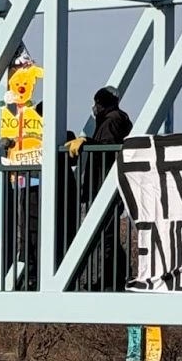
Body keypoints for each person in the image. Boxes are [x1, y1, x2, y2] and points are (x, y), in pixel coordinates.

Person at [65, 89, 133, 290]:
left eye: (96, 103)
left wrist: (87, 142)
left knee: (107, 234)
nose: (94, 108)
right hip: (106, 183)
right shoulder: (115, 119)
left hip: (105, 184)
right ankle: (115, 277)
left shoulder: (111, 121)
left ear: (101, 104)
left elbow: (107, 148)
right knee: (107, 233)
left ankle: (112, 280)